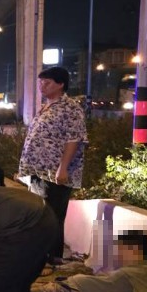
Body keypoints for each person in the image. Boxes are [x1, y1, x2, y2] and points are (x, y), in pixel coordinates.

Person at [18, 66, 87, 265]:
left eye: (47, 82)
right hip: (38, 173)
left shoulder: (70, 108)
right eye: (41, 82)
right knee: (39, 213)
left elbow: (74, 139)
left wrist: (62, 168)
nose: (42, 86)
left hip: (55, 173)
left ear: (61, 84)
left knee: (53, 216)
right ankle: (40, 256)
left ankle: (53, 258)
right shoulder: (46, 106)